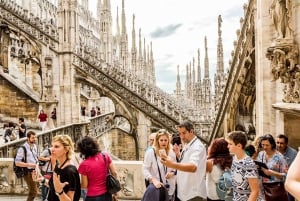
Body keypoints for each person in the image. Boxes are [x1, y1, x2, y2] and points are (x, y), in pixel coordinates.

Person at [160, 121, 207, 201]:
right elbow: (186, 162)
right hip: (185, 192)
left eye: (184, 133)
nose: (181, 136)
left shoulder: (197, 147)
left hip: (193, 194)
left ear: (191, 131)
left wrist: (172, 164)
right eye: (180, 133)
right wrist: (178, 154)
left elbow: (193, 167)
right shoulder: (188, 144)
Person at [38, 135, 81, 201]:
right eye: (52, 146)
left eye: (56, 146)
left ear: (66, 149)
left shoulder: (70, 171)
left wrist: (60, 191)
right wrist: (42, 179)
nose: (52, 149)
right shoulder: (58, 165)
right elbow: (54, 185)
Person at [76, 136, 118, 201]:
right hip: (107, 193)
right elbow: (114, 173)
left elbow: (84, 185)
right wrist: (115, 192)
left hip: (92, 196)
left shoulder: (84, 164)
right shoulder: (105, 156)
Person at [142, 129, 177, 201]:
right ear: (157, 140)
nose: (163, 142)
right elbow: (145, 169)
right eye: (161, 140)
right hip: (156, 189)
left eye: (165, 140)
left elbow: (175, 168)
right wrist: (153, 180)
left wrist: (172, 173)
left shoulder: (171, 153)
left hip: (170, 188)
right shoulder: (151, 152)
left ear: (168, 141)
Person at [226, 131, 260, 201]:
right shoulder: (234, 158)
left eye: (230, 144)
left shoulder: (249, 164)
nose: (228, 146)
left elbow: (255, 191)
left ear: (239, 146)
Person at [257, 134, 288, 201]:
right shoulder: (261, 154)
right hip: (262, 189)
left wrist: (272, 173)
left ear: (272, 144)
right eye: (263, 145)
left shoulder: (280, 157)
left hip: (275, 189)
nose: (264, 147)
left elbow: (286, 175)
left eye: (267, 145)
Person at [15, 131, 39, 201]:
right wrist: (29, 164)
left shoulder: (34, 146)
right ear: (28, 138)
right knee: (34, 192)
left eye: (35, 137)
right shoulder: (22, 148)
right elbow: (17, 163)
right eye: (33, 138)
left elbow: (35, 157)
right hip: (28, 172)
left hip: (35, 171)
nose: (34, 139)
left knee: (33, 191)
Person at [276, 134, 297, 201]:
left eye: (281, 143)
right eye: (278, 143)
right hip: (275, 183)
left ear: (286, 144)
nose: (279, 145)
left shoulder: (293, 153)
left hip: (288, 183)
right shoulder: (273, 151)